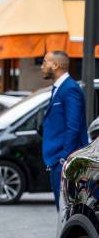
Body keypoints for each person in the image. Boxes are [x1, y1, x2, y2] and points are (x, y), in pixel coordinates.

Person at [40, 51, 88, 209]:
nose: (42, 66)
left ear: (56, 65)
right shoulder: (59, 89)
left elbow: (73, 128)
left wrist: (63, 160)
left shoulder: (69, 89)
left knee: (67, 211)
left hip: (65, 162)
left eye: (45, 62)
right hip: (57, 161)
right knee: (63, 211)